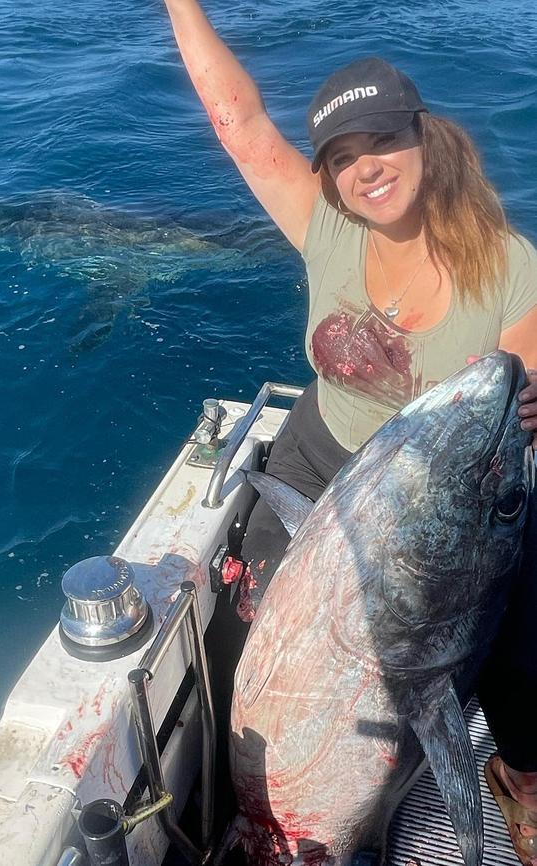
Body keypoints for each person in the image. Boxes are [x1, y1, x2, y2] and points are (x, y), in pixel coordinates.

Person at [160, 2, 537, 863]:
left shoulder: (512, 267)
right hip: (326, 452)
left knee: (522, 657)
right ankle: (244, 805)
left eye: (381, 143)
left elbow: (516, 401)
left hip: (443, 493)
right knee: (242, 625)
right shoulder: (327, 229)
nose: (366, 169)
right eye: (341, 157)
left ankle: (520, 780)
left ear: (425, 138)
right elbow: (240, 124)